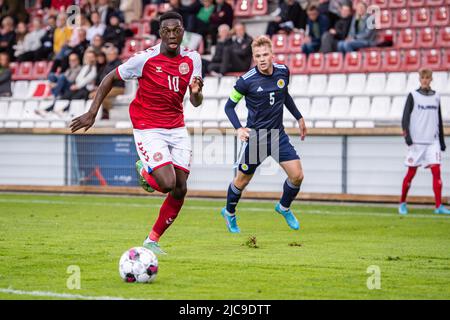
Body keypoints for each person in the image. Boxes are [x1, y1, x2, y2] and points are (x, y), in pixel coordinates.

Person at [70, 12, 203, 254]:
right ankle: (144, 169)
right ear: (160, 33)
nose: (172, 35)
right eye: (167, 31)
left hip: (177, 126)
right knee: (166, 183)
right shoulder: (144, 59)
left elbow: (195, 102)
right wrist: (92, 112)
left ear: (183, 31)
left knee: (180, 188)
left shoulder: (193, 59)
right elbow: (110, 77)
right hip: (148, 126)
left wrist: (196, 92)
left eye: (176, 30)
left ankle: (152, 240)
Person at [220, 35, 307, 233]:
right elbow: (229, 107)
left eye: (265, 54)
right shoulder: (245, 81)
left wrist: (299, 117)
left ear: (272, 54)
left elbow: (284, 96)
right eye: (258, 55)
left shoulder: (284, 72)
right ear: (253, 57)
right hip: (257, 138)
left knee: (297, 176)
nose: (262, 59)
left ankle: (284, 207)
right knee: (242, 181)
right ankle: (229, 212)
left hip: (278, 135)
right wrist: (239, 128)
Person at [399, 69, 450, 215]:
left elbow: (438, 119)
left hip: (432, 142)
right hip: (417, 142)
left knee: (437, 172)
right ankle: (402, 203)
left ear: (431, 79)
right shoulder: (413, 95)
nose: (425, 80)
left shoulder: (436, 97)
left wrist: (441, 140)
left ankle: (438, 206)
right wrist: (407, 136)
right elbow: (405, 118)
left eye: (428, 78)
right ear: (419, 79)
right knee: (411, 174)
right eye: (423, 78)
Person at [88, 46, 124, 119]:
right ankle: (104, 112)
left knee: (102, 95)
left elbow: (113, 79)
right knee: (92, 95)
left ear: (114, 54)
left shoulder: (118, 64)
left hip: (118, 88)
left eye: (109, 54)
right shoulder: (108, 64)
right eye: (107, 54)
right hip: (109, 87)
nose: (107, 56)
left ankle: (109, 112)